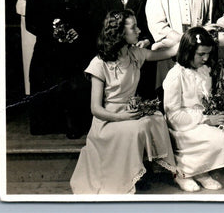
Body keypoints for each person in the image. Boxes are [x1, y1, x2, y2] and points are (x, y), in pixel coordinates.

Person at [70, 10, 179, 194]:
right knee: (137, 128)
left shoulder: (135, 54)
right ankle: (123, 182)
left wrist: (189, 37)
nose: (138, 30)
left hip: (130, 111)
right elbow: (95, 109)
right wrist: (121, 117)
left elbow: (169, 52)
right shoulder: (99, 63)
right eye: (133, 27)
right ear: (120, 32)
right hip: (108, 120)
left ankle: (172, 174)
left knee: (156, 118)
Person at [163, 27, 224, 192]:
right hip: (185, 125)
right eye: (201, 54)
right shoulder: (175, 75)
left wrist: (220, 111)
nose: (206, 58)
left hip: (204, 118)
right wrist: (205, 119)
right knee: (218, 139)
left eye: (208, 53)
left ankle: (201, 170)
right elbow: (173, 115)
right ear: (187, 51)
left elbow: (206, 100)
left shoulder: (204, 70)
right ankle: (183, 172)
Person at [25, 0, 91, 138]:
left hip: (77, 49)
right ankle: (50, 124)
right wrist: (52, 32)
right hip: (48, 50)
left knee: (77, 82)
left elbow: (90, 17)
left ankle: (74, 123)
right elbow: (31, 22)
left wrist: (78, 32)